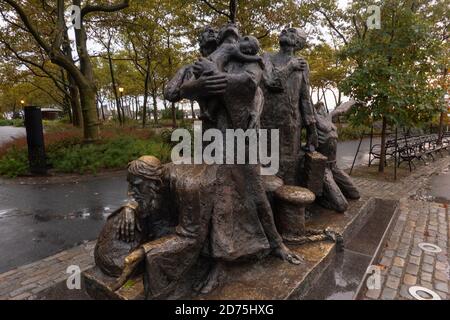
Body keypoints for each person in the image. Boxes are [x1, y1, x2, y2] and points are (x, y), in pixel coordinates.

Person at [261, 27, 318, 185]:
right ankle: (268, 206)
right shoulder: (267, 57)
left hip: (291, 124)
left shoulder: (302, 64)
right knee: (266, 167)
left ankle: (288, 206)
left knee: (288, 169)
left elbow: (305, 98)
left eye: (292, 32)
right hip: (267, 122)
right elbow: (272, 82)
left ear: (299, 42)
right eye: (284, 30)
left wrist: (312, 129)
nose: (285, 31)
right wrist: (290, 66)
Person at [314, 101, 361, 212]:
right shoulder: (314, 119)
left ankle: (333, 192)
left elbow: (341, 109)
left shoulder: (329, 118)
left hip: (334, 166)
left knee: (355, 194)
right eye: (320, 108)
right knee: (341, 205)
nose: (323, 109)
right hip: (323, 168)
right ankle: (321, 200)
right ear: (316, 110)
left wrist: (354, 102)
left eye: (324, 107)